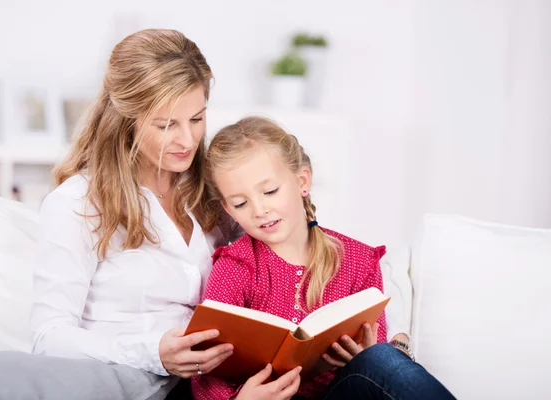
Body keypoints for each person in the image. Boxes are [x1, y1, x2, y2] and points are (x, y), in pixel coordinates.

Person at [0, 29, 238, 400]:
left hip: (212, 383)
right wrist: (153, 354)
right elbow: (49, 335)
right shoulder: (80, 202)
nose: (187, 140)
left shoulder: (214, 191)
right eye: (166, 125)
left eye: (197, 119)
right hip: (121, 380)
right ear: (127, 118)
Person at [191, 116, 456, 400]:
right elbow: (206, 368)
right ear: (229, 210)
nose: (259, 210)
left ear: (302, 181)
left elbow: (376, 346)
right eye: (241, 203)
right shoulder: (235, 266)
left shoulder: (359, 261)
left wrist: (363, 355)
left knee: (382, 357)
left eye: (270, 191)